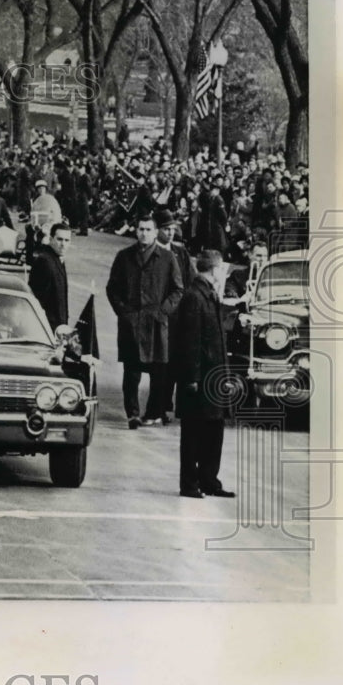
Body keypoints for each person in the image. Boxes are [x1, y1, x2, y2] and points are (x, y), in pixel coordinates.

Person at [106, 215, 184, 430]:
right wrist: (123, 312)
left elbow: (178, 290)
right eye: (141, 229)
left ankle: (152, 412)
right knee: (131, 372)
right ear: (136, 230)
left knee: (159, 372)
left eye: (148, 229)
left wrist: (163, 311)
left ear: (155, 231)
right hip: (132, 322)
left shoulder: (167, 258)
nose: (144, 233)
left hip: (157, 323)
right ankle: (132, 414)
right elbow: (112, 289)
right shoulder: (124, 257)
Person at [174, 250, 235, 498]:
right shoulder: (194, 297)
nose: (223, 274)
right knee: (193, 434)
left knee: (213, 431)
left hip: (214, 377)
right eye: (222, 269)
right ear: (213, 269)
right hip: (199, 379)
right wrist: (192, 379)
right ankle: (189, 483)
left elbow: (217, 340)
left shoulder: (208, 295)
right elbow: (190, 342)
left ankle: (209, 479)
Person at [153, 208, 196, 422]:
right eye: (165, 229)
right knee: (161, 365)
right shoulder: (151, 251)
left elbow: (192, 280)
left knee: (175, 364)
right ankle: (159, 407)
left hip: (180, 318)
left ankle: (168, 405)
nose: (170, 233)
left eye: (172, 229)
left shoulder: (181, 253)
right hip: (160, 316)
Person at [28, 222, 71, 332]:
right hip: (48, 328)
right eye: (59, 239)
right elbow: (39, 299)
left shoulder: (57, 259)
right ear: (51, 239)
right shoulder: (44, 261)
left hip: (58, 327)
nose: (63, 244)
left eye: (67, 240)